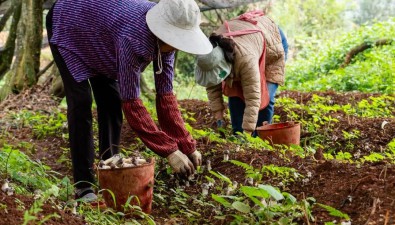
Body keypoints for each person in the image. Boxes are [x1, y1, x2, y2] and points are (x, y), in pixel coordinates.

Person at [46, 0, 212, 201]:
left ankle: (110, 170)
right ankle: (84, 185)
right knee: (81, 102)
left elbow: (165, 97)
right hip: (68, 23)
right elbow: (133, 104)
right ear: (163, 31)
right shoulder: (133, 37)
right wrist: (169, 151)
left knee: (111, 102)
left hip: (101, 35)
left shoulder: (168, 46)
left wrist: (186, 145)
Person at [195, 10, 288, 137]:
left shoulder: (245, 59)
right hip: (248, 43)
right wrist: (219, 118)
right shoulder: (210, 52)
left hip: (272, 42)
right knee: (236, 96)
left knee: (264, 98)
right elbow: (212, 86)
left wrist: (248, 134)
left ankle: (262, 137)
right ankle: (238, 133)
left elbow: (254, 98)